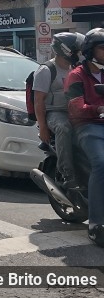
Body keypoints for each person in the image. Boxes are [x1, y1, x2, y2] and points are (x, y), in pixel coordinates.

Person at [65, 28, 104, 247]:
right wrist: (98, 110)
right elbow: (76, 108)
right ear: (90, 50)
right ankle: (96, 224)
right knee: (101, 164)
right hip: (87, 127)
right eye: (102, 48)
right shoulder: (76, 75)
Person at [32, 32, 84, 189]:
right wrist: (43, 128)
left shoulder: (76, 68)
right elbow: (38, 101)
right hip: (55, 113)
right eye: (77, 50)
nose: (79, 54)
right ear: (66, 50)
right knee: (63, 127)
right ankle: (67, 173)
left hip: (76, 111)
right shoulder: (46, 70)